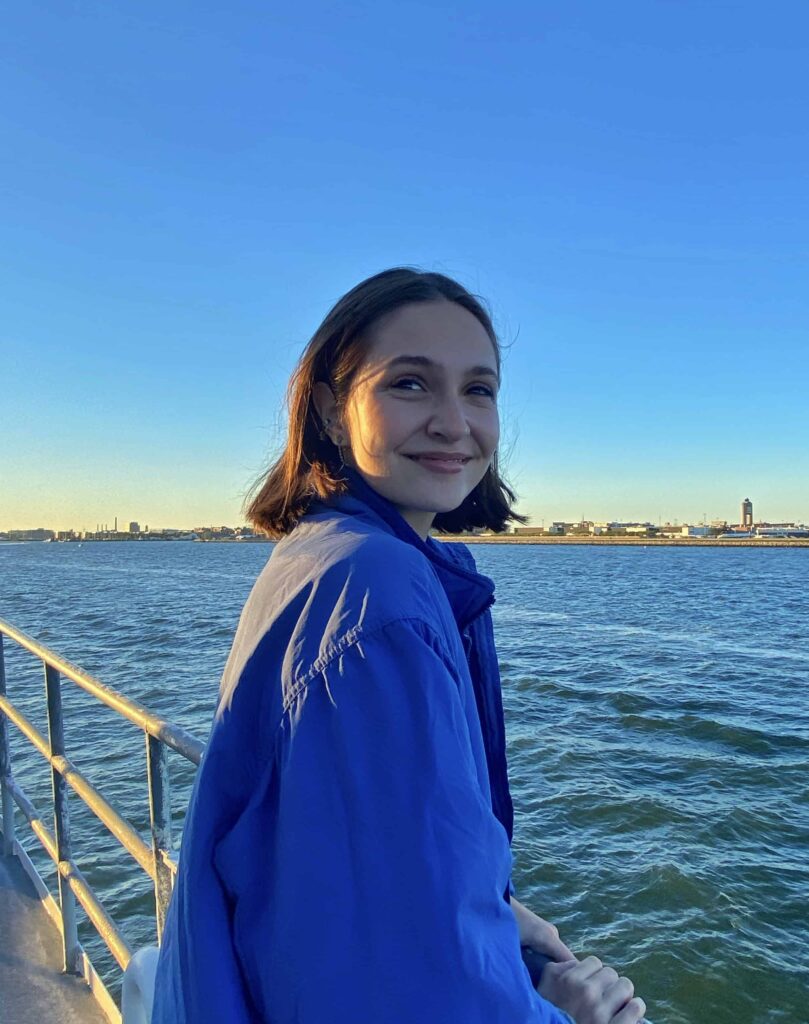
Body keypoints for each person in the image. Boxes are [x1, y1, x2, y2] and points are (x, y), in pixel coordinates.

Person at [152, 267, 647, 1024]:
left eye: (478, 390)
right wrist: (564, 1017)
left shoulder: (321, 554)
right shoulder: (378, 594)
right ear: (328, 406)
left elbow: (356, 868)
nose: (455, 422)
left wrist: (498, 912)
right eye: (410, 384)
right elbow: (416, 983)